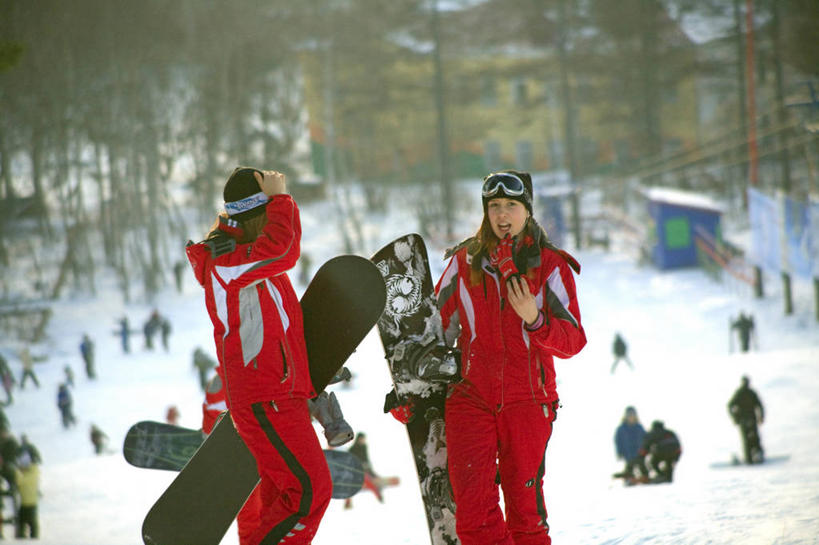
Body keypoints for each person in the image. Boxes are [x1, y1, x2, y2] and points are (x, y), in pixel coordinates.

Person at [433, 170, 587, 544]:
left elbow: (573, 341)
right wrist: (414, 385)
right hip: (471, 399)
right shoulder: (464, 264)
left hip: (529, 402)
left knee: (526, 518)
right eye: (494, 206)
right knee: (473, 516)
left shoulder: (550, 265)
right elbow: (437, 331)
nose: (502, 215)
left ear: (527, 210)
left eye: (512, 206)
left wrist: (534, 320)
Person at [186, 166, 331, 544]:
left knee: (281, 498)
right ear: (261, 213)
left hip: (281, 396)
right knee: (309, 492)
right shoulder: (229, 264)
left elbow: (281, 329)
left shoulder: (250, 263)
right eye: (270, 210)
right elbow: (285, 248)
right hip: (266, 398)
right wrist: (282, 199)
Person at [728, 375, 765, 464]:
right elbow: (730, 405)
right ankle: (753, 457)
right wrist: (735, 417)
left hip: (747, 420)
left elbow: (759, 405)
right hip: (747, 419)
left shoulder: (744, 393)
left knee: (750, 439)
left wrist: (735, 418)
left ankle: (751, 457)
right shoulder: (748, 393)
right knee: (751, 438)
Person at [613, 406, 648, 482]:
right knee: (629, 467)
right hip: (628, 453)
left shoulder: (639, 427)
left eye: (633, 415)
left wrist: (645, 450)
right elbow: (618, 441)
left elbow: (646, 439)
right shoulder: (621, 429)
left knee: (642, 467)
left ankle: (645, 478)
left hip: (639, 453)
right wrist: (619, 452)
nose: (631, 417)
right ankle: (629, 479)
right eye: (629, 415)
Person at [13, 451, 39, 538]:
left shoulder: (33, 472)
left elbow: (20, 481)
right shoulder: (30, 471)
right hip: (25, 503)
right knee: (22, 526)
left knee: (32, 526)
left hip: (30, 504)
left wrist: (17, 472)